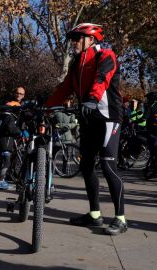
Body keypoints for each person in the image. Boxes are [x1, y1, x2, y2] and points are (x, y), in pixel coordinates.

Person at [46, 23, 126, 235]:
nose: (74, 42)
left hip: (109, 118)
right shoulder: (76, 64)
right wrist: (47, 107)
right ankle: (95, 215)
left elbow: (101, 79)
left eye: (78, 38)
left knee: (109, 167)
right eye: (73, 39)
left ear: (91, 39)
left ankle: (120, 218)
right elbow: (65, 88)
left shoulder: (105, 55)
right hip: (88, 119)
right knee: (87, 166)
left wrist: (91, 99)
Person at [0, 89, 24, 190]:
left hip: (5, 139)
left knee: (6, 160)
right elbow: (10, 128)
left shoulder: (7, 115)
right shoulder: (9, 116)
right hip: (6, 139)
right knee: (6, 160)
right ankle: (1, 181)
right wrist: (20, 132)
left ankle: (3, 179)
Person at [144, 92, 157, 179]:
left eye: (148, 98)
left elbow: (145, 117)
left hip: (153, 131)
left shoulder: (151, 106)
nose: (147, 100)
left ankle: (154, 169)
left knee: (153, 151)